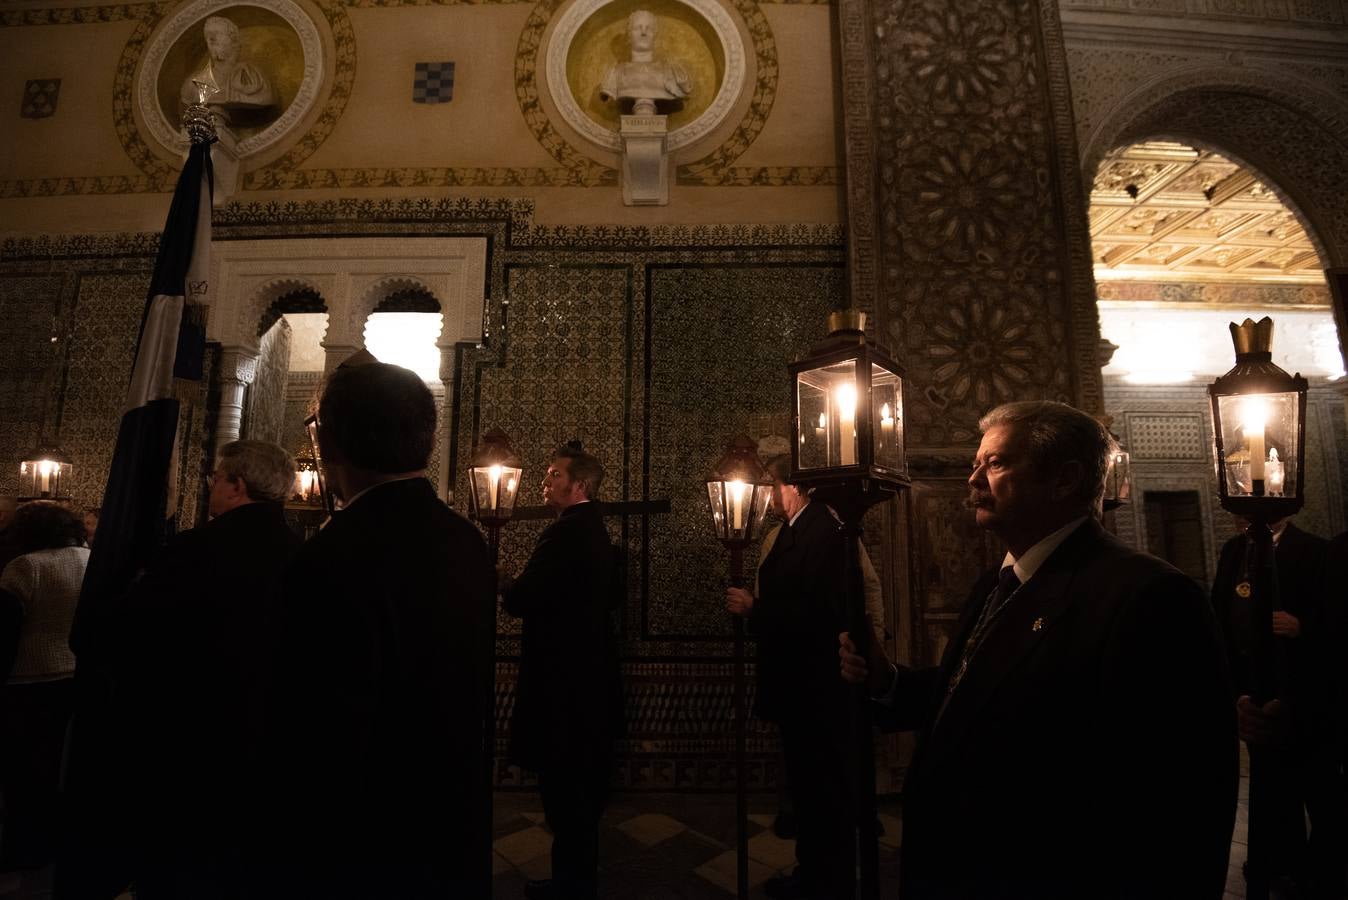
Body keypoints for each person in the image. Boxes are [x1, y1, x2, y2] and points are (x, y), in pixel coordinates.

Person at [840, 400, 1236, 899]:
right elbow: (976, 694)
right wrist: (888, 682)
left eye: (996, 463)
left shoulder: (1148, 595)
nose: (973, 479)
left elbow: (1182, 795)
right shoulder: (998, 581)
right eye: (976, 463)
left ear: (1064, 480)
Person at [254, 361, 495, 898]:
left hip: (360, 842)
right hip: (448, 820)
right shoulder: (466, 541)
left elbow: (310, 732)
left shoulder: (328, 558)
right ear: (427, 440)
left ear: (329, 445)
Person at [93, 441, 300, 898]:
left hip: (190, 738)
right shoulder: (303, 554)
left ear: (236, 486)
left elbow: (135, 631)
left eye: (215, 479)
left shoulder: (197, 548)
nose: (211, 487)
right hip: (268, 741)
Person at [725, 458, 852, 900]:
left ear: (795, 487)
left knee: (819, 786)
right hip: (797, 679)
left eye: (773, 486)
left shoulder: (822, 531)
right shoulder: (798, 528)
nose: (769, 496)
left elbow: (816, 611)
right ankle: (814, 872)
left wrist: (755, 610)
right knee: (807, 783)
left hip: (812, 682)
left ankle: (824, 881)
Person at [502, 442, 622, 900]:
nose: (545, 480)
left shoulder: (565, 533)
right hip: (588, 682)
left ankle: (571, 887)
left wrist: (503, 581)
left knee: (565, 793)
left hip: (562, 686)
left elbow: (523, 599)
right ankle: (574, 880)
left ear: (580, 485)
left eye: (555, 474)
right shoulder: (595, 530)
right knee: (579, 792)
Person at [1211, 515, 1335, 893]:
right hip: (1254, 692)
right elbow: (1220, 613)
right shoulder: (1235, 551)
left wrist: (1302, 627)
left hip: (1306, 695)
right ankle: (1281, 861)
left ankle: (1324, 871)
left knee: (1319, 783)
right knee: (1271, 784)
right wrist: (1234, 691)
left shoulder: (1316, 551)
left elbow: (1336, 616)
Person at [0, 502, 89, 876]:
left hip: (30, 681)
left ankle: (25, 849)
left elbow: (6, 631)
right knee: (63, 769)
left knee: (25, 773)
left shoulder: (26, 566)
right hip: (78, 676)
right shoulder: (90, 559)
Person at [179, 15, 275, 122]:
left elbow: (265, 99)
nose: (211, 41)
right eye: (208, 37)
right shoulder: (194, 84)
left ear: (234, 41)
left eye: (217, 34)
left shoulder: (254, 78)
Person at [599, 10, 692, 116]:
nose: (643, 33)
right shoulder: (615, 73)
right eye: (637, 28)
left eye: (649, 28)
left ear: (655, 35)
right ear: (629, 35)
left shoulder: (671, 71)